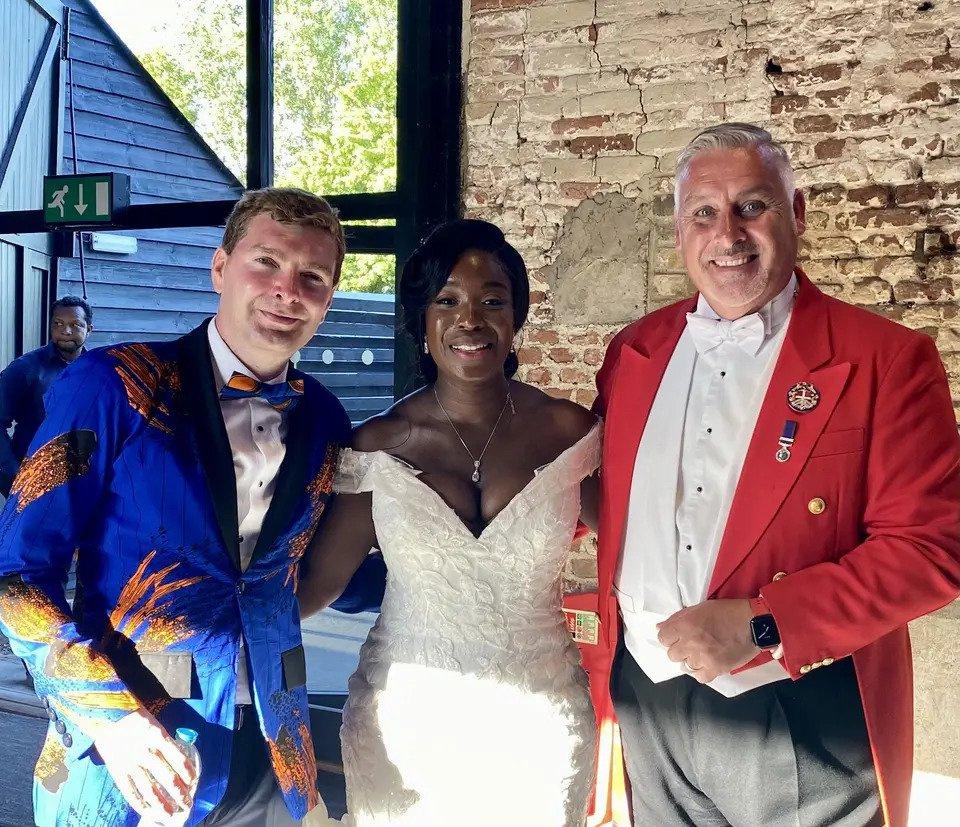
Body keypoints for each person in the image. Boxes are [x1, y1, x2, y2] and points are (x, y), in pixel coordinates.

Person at [591, 122, 960, 826]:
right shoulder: (633, 351)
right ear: (678, 229)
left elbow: (932, 551)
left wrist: (764, 624)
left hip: (801, 708)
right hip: (645, 699)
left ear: (797, 213)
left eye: (751, 206)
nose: (726, 234)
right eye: (703, 212)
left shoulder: (887, 359)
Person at [0, 187, 384, 827]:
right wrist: (113, 721)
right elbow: (15, 575)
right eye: (266, 262)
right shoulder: (112, 384)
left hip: (276, 750)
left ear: (329, 297)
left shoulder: (324, 416)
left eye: (311, 276)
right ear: (219, 268)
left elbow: (320, 568)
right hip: (132, 749)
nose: (287, 290)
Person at [297, 218, 600, 827]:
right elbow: (318, 583)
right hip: (405, 726)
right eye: (448, 301)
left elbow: (633, 549)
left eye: (493, 300)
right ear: (422, 321)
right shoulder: (379, 446)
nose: (471, 320)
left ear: (515, 317)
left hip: (540, 726)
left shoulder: (569, 431)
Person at [0, 296, 94, 497]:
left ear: (89, 329)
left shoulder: (97, 371)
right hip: (33, 485)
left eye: (75, 324)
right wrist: (13, 480)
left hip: (81, 486)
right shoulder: (25, 369)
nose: (65, 331)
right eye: (58, 324)